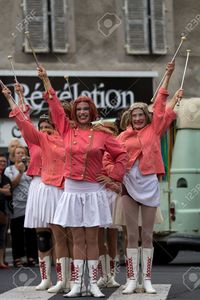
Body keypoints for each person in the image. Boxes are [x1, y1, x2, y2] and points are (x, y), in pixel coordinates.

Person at [37, 66, 128, 298]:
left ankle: (93, 283)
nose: (83, 112)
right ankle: (77, 284)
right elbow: (55, 107)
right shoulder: (66, 130)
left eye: (86, 109)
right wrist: (46, 80)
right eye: (79, 109)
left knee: (92, 238)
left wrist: (112, 176)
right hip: (71, 189)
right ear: (74, 113)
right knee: (77, 238)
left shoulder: (103, 135)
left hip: (94, 189)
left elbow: (122, 156)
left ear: (92, 111)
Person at [117, 62, 183, 294]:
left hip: (149, 184)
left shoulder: (154, 129)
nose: (137, 118)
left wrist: (168, 74)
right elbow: (110, 158)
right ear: (129, 117)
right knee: (131, 234)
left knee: (147, 234)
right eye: (133, 115)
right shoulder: (122, 137)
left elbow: (161, 101)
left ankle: (147, 279)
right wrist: (113, 175)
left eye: (140, 115)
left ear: (146, 117)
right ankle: (131, 280)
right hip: (127, 187)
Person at [2, 84, 70, 293]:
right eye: (40, 126)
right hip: (38, 186)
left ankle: (64, 278)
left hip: (56, 186)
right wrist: (12, 97)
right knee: (42, 234)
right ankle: (45, 278)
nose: (43, 129)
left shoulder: (60, 140)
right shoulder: (34, 143)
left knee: (58, 232)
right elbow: (22, 121)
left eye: (46, 125)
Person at [4, 145, 38, 267]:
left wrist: (28, 167)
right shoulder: (10, 169)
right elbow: (11, 185)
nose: (20, 155)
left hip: (31, 205)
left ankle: (31, 257)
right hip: (17, 206)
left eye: (22, 153)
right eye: (18, 153)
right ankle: (17, 258)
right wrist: (20, 172)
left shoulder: (31, 168)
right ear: (13, 156)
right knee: (17, 233)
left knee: (31, 233)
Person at [0, 154, 12, 268]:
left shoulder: (5, 178)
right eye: (0, 161)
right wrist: (3, 190)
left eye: (4, 161)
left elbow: (9, 193)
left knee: (2, 237)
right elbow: (5, 191)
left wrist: (3, 191)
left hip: (3, 210)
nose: (2, 163)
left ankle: (1, 261)